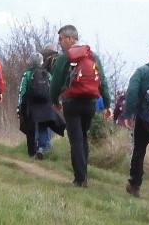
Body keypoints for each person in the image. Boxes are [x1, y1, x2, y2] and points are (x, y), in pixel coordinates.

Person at [48, 25, 113, 188]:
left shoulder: (64, 58)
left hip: (71, 102)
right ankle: (84, 176)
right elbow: (103, 80)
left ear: (70, 38)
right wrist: (107, 104)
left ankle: (80, 179)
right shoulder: (93, 56)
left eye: (61, 38)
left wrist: (54, 100)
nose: (60, 42)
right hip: (90, 102)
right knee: (83, 137)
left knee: (76, 140)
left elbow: (56, 82)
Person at [121, 47, 149, 197]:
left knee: (139, 150)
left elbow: (132, 92)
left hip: (143, 117)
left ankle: (135, 185)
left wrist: (129, 114)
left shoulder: (142, 71)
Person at [17, 47, 64, 159]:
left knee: (32, 127)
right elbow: (53, 88)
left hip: (32, 104)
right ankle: (42, 148)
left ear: (30, 62)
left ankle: (33, 151)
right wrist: (55, 101)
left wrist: (19, 107)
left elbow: (22, 91)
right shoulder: (46, 74)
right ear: (41, 62)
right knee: (43, 125)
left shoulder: (27, 74)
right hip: (46, 104)